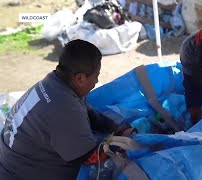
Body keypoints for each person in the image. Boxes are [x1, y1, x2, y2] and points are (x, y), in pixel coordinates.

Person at [0, 39, 130, 180]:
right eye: (96, 76)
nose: (97, 82)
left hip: (12, 162)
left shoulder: (54, 83)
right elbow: (89, 157)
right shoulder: (65, 108)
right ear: (80, 78)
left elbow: (92, 115)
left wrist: (116, 128)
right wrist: (122, 143)